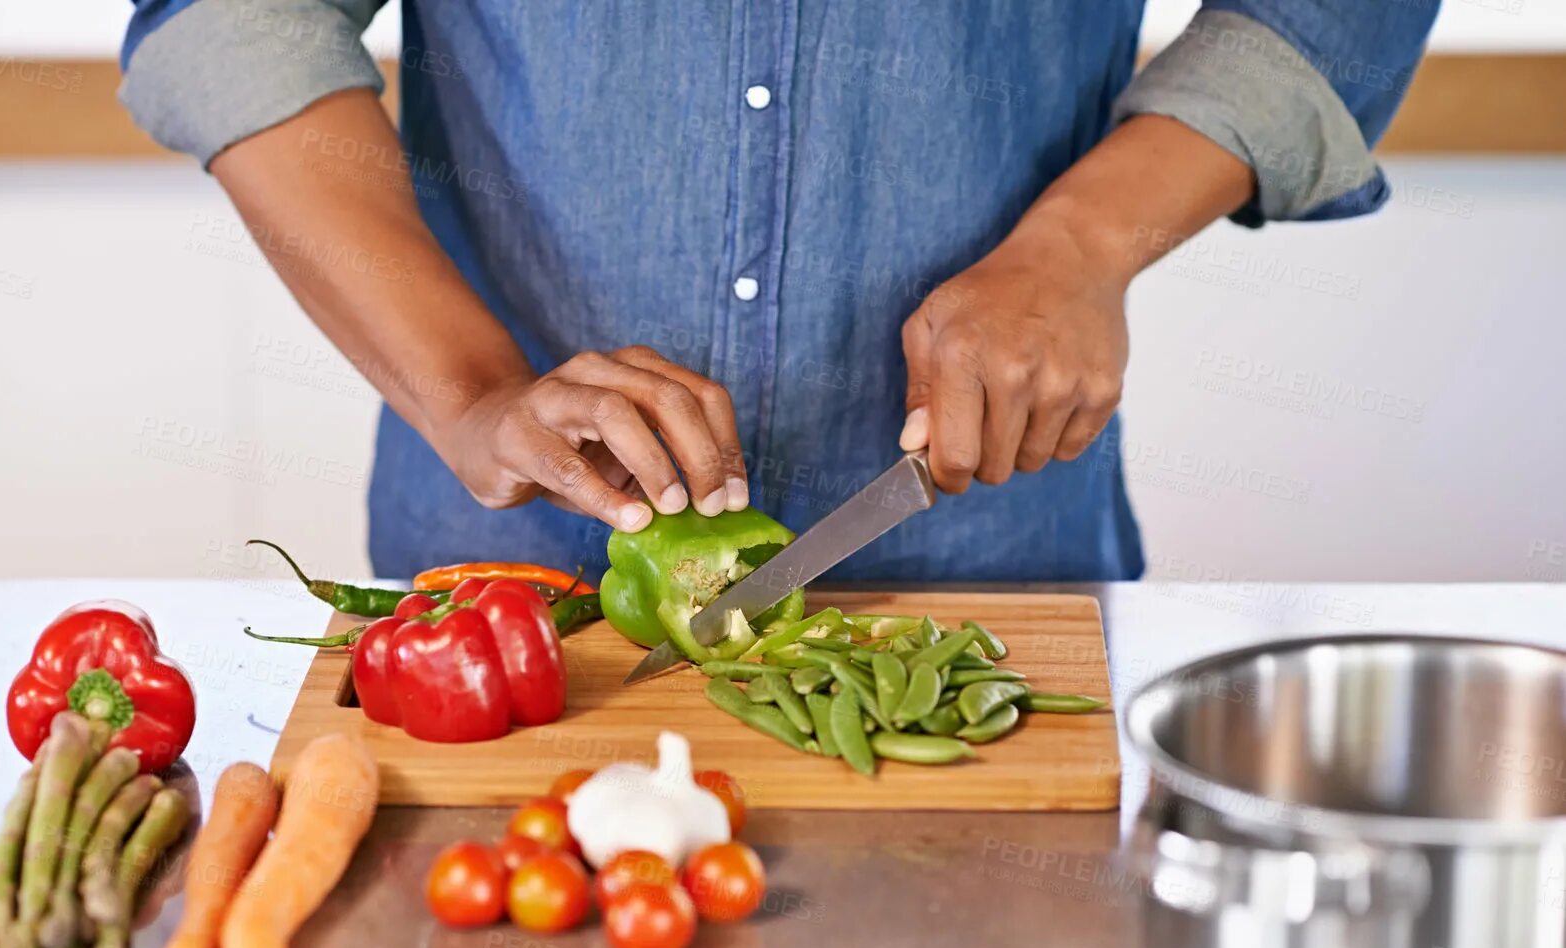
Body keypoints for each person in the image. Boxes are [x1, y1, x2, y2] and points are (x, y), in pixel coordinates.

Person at [120, 1, 1437, 581]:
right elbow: (239, 16)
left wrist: (1081, 248)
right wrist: (471, 395)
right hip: (513, 614)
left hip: (986, 577)